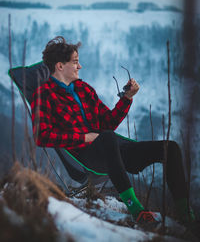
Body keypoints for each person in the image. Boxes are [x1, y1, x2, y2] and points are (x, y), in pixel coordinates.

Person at [31, 36, 195, 226]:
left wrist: (127, 98)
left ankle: (185, 215)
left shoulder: (84, 89)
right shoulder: (43, 95)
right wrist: (84, 137)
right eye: (75, 62)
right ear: (60, 66)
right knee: (107, 137)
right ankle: (137, 211)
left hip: (112, 148)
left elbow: (108, 122)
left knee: (170, 147)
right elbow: (41, 135)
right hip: (87, 156)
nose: (80, 66)